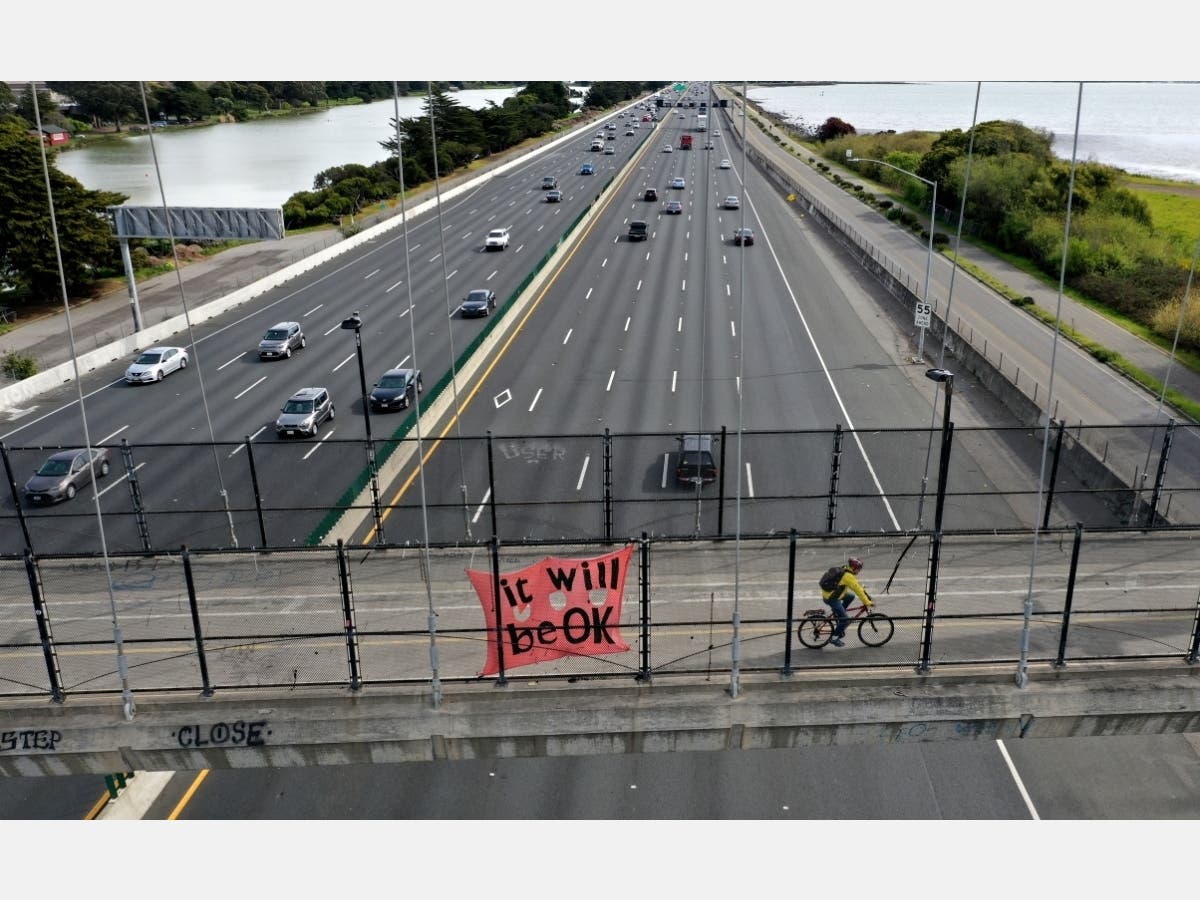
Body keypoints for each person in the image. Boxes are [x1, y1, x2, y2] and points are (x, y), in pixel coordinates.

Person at [821, 557, 874, 647]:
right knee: (845, 620)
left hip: (832, 594)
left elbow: (856, 585)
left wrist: (863, 591)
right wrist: (868, 602)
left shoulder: (845, 569)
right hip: (831, 598)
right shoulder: (848, 576)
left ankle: (838, 614)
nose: (859, 571)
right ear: (853, 568)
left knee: (850, 596)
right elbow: (857, 590)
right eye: (858, 569)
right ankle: (834, 638)